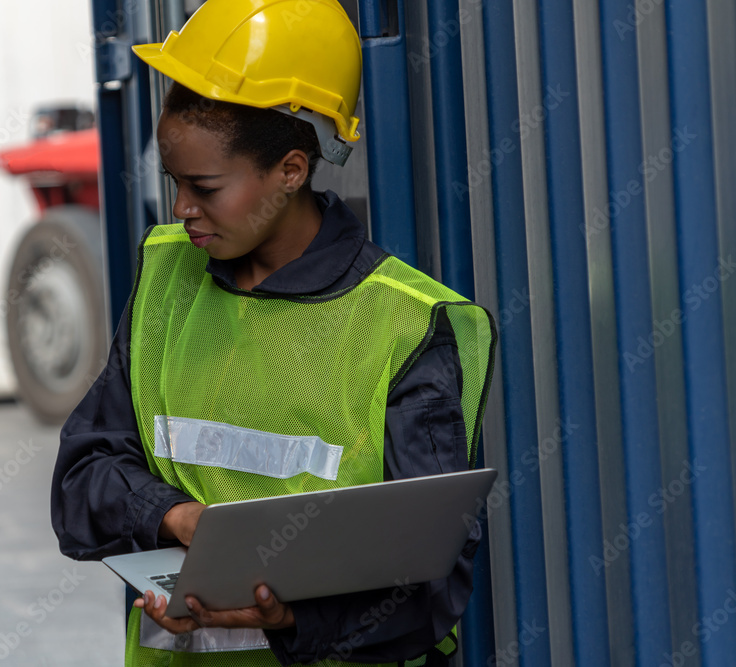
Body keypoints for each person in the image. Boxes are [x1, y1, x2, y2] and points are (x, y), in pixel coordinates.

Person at [50, 1, 496, 665]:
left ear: (291, 171)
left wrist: (295, 616)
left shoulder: (405, 324)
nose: (181, 210)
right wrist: (175, 514)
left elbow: (430, 584)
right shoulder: (167, 279)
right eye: (175, 183)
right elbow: (81, 482)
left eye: (205, 186)